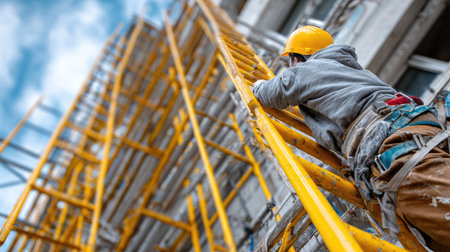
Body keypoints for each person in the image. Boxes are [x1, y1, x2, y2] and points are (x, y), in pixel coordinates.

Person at [251, 25, 450, 251]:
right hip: (419, 129)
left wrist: (257, 85)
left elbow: (271, 93)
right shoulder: (354, 71)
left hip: (395, 145)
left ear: (297, 58)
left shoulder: (307, 70)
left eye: (291, 62)